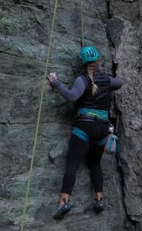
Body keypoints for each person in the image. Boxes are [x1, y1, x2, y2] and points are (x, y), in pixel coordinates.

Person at [47, 46, 123, 220]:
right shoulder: (106, 79)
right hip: (103, 129)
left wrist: (56, 82)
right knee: (95, 164)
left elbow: (72, 97)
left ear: (82, 62)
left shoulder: (82, 79)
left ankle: (64, 202)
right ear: (98, 59)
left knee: (72, 163)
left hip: (84, 126)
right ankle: (99, 199)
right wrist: (106, 82)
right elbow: (119, 83)